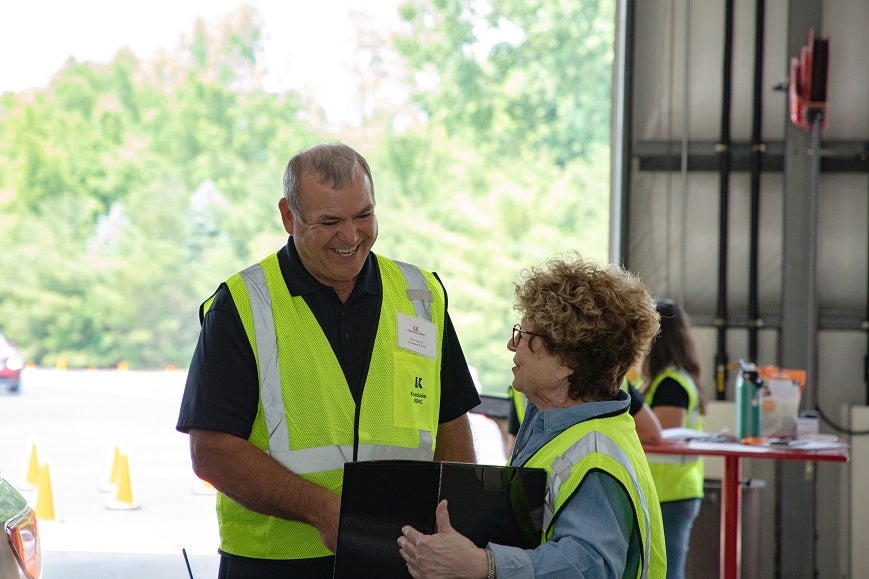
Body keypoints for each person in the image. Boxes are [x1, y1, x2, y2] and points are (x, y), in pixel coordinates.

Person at [176, 142, 480, 578]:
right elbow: (211, 452)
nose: (350, 237)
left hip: (401, 558)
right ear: (288, 216)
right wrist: (322, 511)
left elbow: (450, 423)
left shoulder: (421, 295)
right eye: (330, 222)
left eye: (363, 216)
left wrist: (457, 531)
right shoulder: (242, 305)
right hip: (274, 565)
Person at [397, 253, 667, 579]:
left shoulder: (595, 457)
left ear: (568, 362)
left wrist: (484, 565)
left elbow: (589, 565)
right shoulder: (553, 425)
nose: (513, 345)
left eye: (526, 336)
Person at [639, 299, 708, 579]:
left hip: (670, 491)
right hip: (666, 489)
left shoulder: (671, 384)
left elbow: (660, 438)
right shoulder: (665, 380)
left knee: (666, 573)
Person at [506, 377, 663, 451]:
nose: (513, 345)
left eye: (526, 336)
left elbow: (652, 434)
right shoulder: (521, 384)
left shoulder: (613, 379)